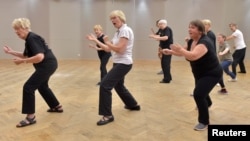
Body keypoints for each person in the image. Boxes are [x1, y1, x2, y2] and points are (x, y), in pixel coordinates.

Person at [162, 20, 222, 131]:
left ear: (200, 30)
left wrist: (180, 50)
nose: (189, 29)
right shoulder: (191, 41)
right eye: (189, 27)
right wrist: (171, 52)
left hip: (212, 73)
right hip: (199, 73)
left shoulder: (204, 42)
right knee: (202, 92)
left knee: (198, 94)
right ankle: (208, 103)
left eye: (193, 27)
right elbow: (184, 52)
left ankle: (204, 121)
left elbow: (193, 56)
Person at [3, 18, 63, 128]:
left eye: (18, 28)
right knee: (42, 86)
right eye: (14, 29)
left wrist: (22, 62)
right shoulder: (29, 39)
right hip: (49, 64)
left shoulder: (32, 38)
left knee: (28, 87)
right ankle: (56, 106)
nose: (16, 31)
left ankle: (30, 117)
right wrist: (11, 52)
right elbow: (27, 55)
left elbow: (40, 57)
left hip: (46, 65)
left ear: (25, 28)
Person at [86, 10, 140, 126]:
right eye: (111, 19)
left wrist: (107, 42)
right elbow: (107, 49)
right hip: (118, 62)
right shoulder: (118, 32)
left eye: (115, 18)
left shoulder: (125, 30)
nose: (112, 20)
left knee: (105, 85)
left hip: (124, 63)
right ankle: (132, 104)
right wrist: (95, 40)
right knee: (118, 85)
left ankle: (107, 115)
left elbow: (120, 49)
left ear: (121, 18)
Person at [149, 19, 173, 83]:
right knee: (164, 64)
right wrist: (153, 36)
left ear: (164, 24)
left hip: (168, 49)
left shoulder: (167, 29)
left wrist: (156, 38)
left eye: (160, 24)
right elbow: (157, 35)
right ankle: (169, 77)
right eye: (159, 24)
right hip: (163, 48)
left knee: (165, 64)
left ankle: (166, 79)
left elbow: (166, 38)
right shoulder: (160, 29)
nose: (159, 25)